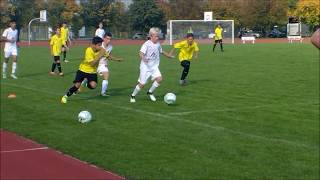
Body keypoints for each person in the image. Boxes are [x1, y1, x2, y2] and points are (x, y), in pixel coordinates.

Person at [129, 27, 174, 103]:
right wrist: (143, 58)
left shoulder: (158, 44)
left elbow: (161, 51)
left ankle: (150, 92)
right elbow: (141, 53)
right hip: (145, 67)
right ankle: (133, 95)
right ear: (151, 36)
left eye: (158, 36)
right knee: (142, 84)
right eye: (156, 36)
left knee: (159, 79)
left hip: (154, 67)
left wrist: (169, 56)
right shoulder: (146, 44)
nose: (157, 38)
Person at [61, 36, 105, 104]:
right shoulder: (88, 50)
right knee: (77, 86)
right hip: (82, 70)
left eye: (101, 45)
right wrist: (100, 56)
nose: (100, 46)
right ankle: (65, 96)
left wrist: (116, 59)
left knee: (93, 86)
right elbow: (92, 64)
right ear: (94, 45)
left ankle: (87, 83)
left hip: (92, 72)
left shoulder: (101, 49)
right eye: (99, 45)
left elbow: (107, 55)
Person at [97, 32, 123, 96]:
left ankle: (103, 93)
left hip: (103, 65)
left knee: (106, 75)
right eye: (107, 39)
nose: (109, 40)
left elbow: (109, 56)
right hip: (96, 64)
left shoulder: (110, 47)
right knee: (88, 77)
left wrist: (117, 59)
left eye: (110, 39)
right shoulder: (99, 45)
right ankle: (78, 87)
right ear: (104, 38)